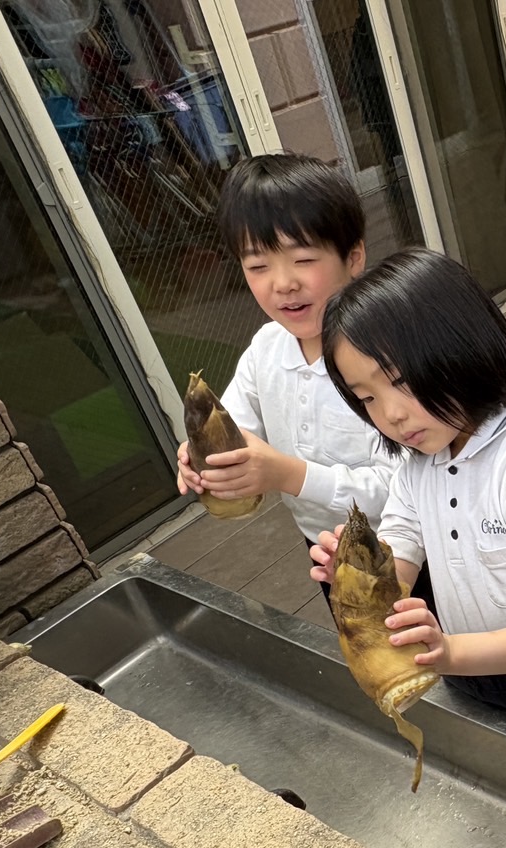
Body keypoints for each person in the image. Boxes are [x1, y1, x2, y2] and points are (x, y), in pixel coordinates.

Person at [308, 248, 506, 747]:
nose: (390, 414)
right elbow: (403, 544)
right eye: (367, 397)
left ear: (462, 348)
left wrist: (451, 652)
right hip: (464, 673)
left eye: (400, 381)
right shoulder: (420, 461)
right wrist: (364, 574)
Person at [177, 153, 396, 602]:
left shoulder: (386, 358)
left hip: (410, 547)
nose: (282, 283)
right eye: (258, 266)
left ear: (354, 257)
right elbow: (235, 426)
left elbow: (403, 487)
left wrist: (287, 474)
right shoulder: (267, 348)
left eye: (303, 259)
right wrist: (204, 458)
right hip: (324, 547)